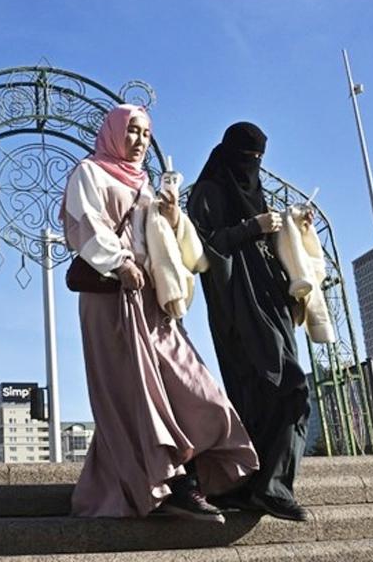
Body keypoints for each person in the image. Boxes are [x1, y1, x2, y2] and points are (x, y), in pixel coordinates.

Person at [61, 104, 258, 520]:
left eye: (146, 134)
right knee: (132, 392)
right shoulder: (90, 172)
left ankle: (193, 474)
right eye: (132, 131)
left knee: (192, 383)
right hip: (109, 298)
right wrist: (120, 263)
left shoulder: (146, 184)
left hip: (150, 299)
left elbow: (165, 244)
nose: (139, 141)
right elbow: (86, 225)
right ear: (115, 131)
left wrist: (170, 215)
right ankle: (172, 485)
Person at [186, 122, 311, 521]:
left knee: (280, 393)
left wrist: (290, 233)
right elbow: (204, 252)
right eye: (247, 158)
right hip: (239, 310)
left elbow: (266, 251)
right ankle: (264, 488)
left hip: (272, 304)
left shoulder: (254, 193)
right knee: (287, 388)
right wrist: (251, 228)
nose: (252, 166)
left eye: (258, 159)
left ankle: (257, 486)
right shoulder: (207, 193)